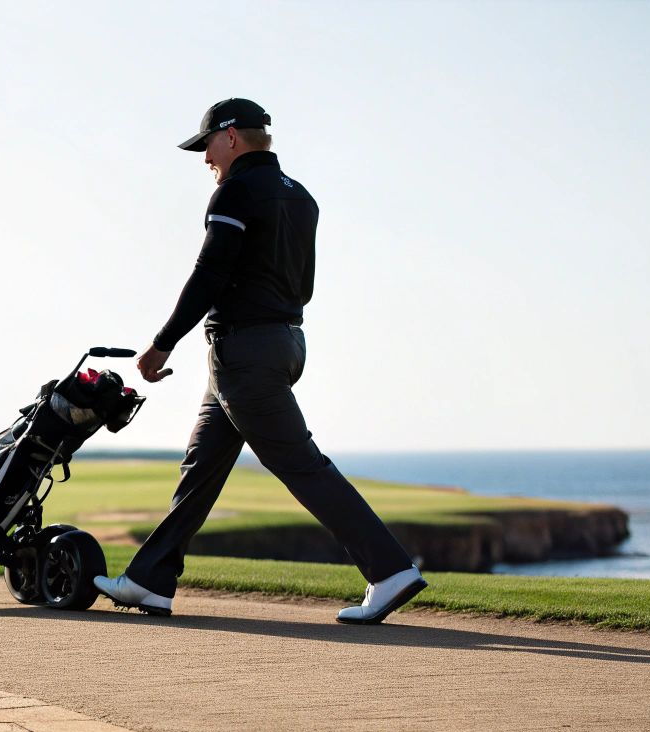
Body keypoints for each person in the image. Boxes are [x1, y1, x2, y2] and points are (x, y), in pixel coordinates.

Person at [92, 98, 427, 624]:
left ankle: (389, 572)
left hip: (243, 353)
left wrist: (163, 341)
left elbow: (210, 273)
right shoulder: (302, 198)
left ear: (230, 138)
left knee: (300, 464)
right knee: (201, 469)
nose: (206, 160)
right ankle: (148, 581)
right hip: (281, 343)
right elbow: (305, 287)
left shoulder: (237, 189)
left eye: (206, 147)